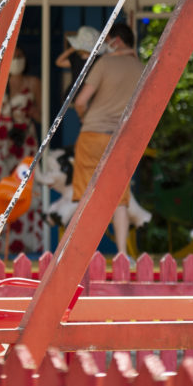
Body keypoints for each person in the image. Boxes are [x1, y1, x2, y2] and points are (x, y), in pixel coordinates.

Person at [71, 22, 144, 258]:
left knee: (85, 194)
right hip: (121, 139)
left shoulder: (104, 63)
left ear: (117, 41)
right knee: (119, 197)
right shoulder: (142, 68)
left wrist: (83, 118)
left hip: (93, 134)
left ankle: (83, 252)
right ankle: (122, 252)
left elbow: (81, 101)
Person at [0, 47, 43, 254]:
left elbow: (42, 115)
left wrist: (31, 113)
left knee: (23, 187)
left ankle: (25, 242)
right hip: (0, 142)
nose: (16, 60)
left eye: (20, 56)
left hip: (24, 138)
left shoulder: (33, 83)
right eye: (13, 56)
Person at [55, 25, 108, 101]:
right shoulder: (76, 58)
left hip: (91, 93)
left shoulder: (98, 59)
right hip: (78, 92)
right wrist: (71, 50)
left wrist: (72, 49)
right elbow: (59, 62)